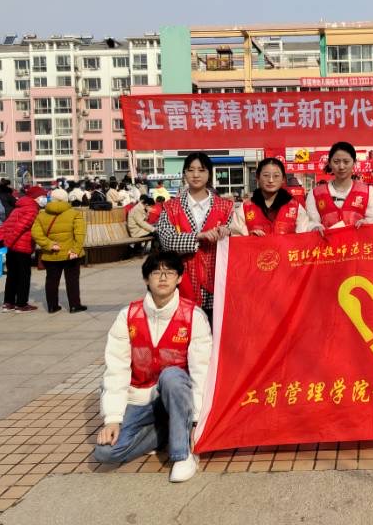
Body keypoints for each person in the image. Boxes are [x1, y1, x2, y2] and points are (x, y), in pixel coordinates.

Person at [93, 251, 212, 483]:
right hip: (140, 400)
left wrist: (196, 422)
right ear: (146, 279)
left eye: (170, 272)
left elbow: (201, 371)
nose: (163, 277)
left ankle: (182, 454)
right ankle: (166, 430)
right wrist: (112, 418)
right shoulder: (128, 316)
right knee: (105, 453)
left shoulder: (194, 316)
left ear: (179, 278)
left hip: (177, 395)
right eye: (156, 272)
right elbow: (116, 369)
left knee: (172, 376)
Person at [156, 152, 234, 319]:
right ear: (184, 173)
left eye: (201, 170)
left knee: (214, 328)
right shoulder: (170, 207)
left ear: (209, 174)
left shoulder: (226, 207)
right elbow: (167, 241)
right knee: (183, 328)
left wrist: (229, 233)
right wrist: (199, 236)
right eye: (191, 170)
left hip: (216, 281)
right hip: (182, 280)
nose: (196, 175)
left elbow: (236, 242)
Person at [31, 188, 87, 313]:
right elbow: (80, 234)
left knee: (51, 280)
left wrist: (49, 244)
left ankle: (52, 306)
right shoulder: (74, 214)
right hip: (70, 254)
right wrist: (75, 250)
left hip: (51, 254)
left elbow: (36, 233)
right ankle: (74, 305)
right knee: (72, 280)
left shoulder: (42, 214)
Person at [305, 142, 373, 231]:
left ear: (354, 163)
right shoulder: (315, 194)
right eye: (336, 162)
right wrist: (314, 227)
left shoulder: (369, 193)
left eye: (346, 162)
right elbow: (310, 222)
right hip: (326, 240)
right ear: (329, 163)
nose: (341, 167)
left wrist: (368, 223)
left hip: (358, 240)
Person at [0, 185, 47, 312]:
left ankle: (8, 303)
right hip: (22, 247)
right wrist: (9, 242)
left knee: (12, 275)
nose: (44, 199)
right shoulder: (32, 210)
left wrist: (2, 240)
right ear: (35, 197)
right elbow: (19, 228)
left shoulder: (18, 208)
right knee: (24, 276)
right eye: (43, 196)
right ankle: (21, 304)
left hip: (12, 248)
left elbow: (5, 225)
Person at [231, 158, 309, 236]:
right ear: (257, 177)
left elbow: (305, 238)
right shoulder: (245, 208)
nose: (271, 180)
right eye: (266, 175)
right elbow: (236, 238)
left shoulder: (296, 208)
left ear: (283, 179)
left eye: (276, 176)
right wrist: (251, 238)